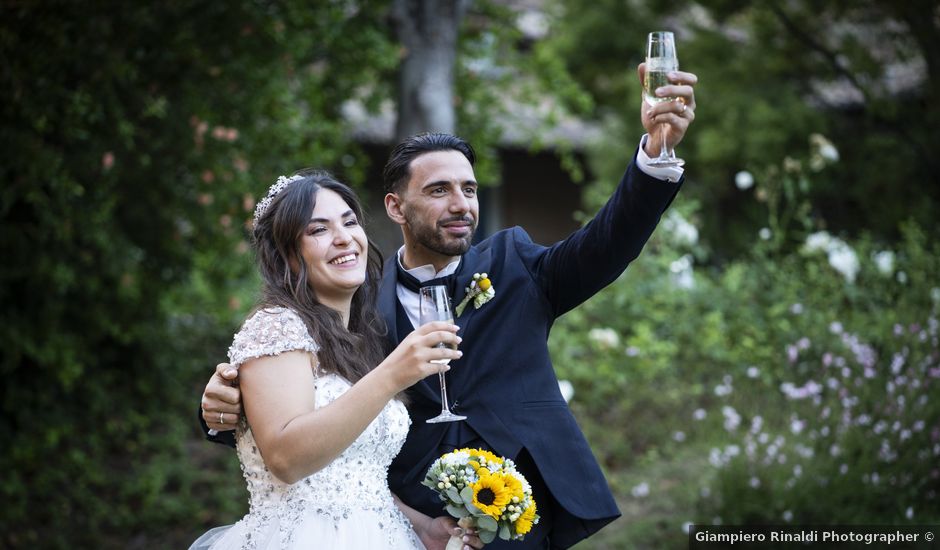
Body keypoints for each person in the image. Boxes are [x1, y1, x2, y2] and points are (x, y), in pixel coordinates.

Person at [200, 63, 697, 548]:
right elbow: (296, 408)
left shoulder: (515, 265)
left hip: (520, 513)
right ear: (396, 207)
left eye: (470, 189)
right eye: (439, 190)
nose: (461, 204)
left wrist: (655, 154)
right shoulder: (354, 300)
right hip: (409, 520)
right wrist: (226, 407)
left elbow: (605, 244)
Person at [190, 170, 484, 550]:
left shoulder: (359, 340)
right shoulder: (276, 327)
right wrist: (391, 375)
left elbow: (354, 477)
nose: (344, 237)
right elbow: (286, 459)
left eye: (349, 222)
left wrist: (423, 529)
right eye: (318, 230)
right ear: (286, 256)